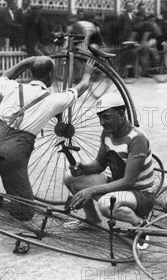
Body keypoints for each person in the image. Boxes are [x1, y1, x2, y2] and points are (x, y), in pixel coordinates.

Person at [0, 56, 96, 219]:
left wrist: (27, 62)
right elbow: (81, 88)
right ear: (49, 75)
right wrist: (87, 73)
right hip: (11, 156)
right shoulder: (53, 100)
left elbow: (4, 76)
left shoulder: (12, 87)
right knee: (25, 212)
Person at [64, 92, 157, 228]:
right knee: (70, 177)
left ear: (121, 113)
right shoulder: (107, 133)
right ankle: (92, 220)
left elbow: (128, 181)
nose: (102, 122)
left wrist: (92, 190)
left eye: (106, 117)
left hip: (141, 195)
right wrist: (83, 168)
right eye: (100, 118)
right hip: (121, 187)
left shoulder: (137, 138)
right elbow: (100, 164)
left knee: (106, 204)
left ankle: (141, 225)